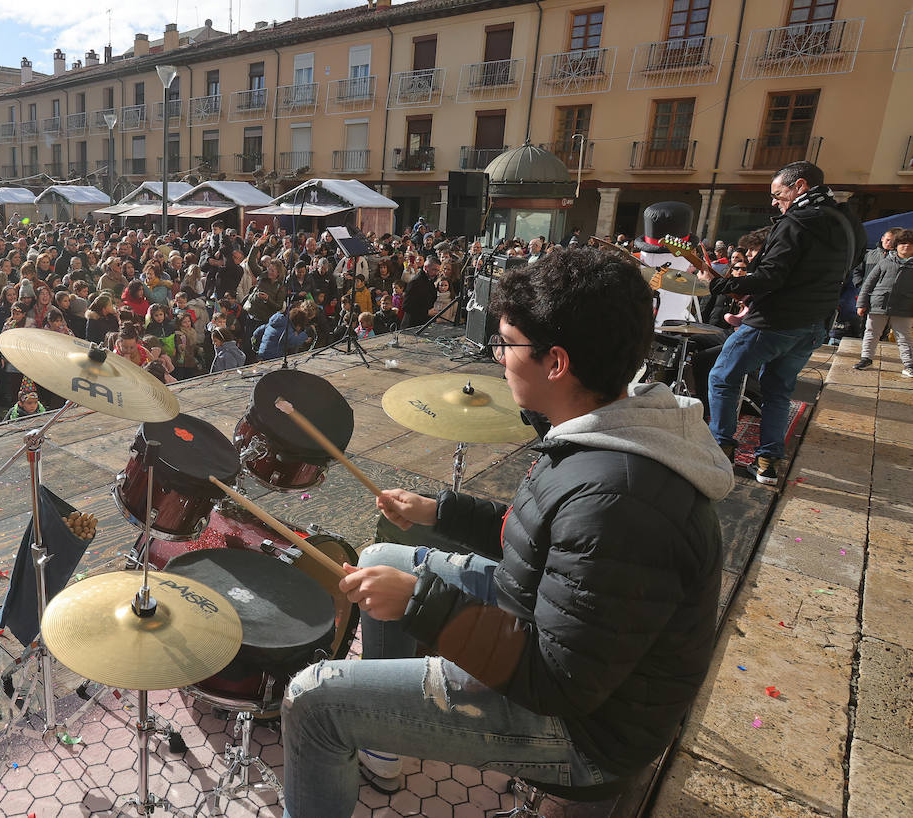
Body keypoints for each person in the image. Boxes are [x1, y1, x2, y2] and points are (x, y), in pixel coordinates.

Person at [279, 247, 733, 817]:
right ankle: (380, 739)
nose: (498, 359)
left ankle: (351, 720)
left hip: (586, 733)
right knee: (383, 553)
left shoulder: (619, 500)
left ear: (557, 363)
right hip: (552, 628)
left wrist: (420, 603)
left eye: (508, 344)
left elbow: (556, 683)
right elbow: (544, 539)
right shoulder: (615, 427)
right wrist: (436, 511)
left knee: (314, 698)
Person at [695, 161, 861, 484]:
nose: (774, 202)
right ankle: (767, 462)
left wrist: (719, 285)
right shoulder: (848, 222)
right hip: (815, 324)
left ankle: (721, 449)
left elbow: (771, 276)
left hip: (775, 322)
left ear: (799, 187)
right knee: (778, 390)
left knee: (722, 376)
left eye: (777, 194)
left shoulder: (796, 221)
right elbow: (835, 271)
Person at [854, 228, 913, 376]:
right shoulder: (885, 262)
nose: (906, 246)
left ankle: (909, 365)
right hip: (878, 304)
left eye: (910, 244)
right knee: (871, 333)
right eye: (902, 243)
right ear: (897, 245)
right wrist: (862, 303)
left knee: (904, 337)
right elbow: (868, 283)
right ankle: (866, 358)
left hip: (904, 308)